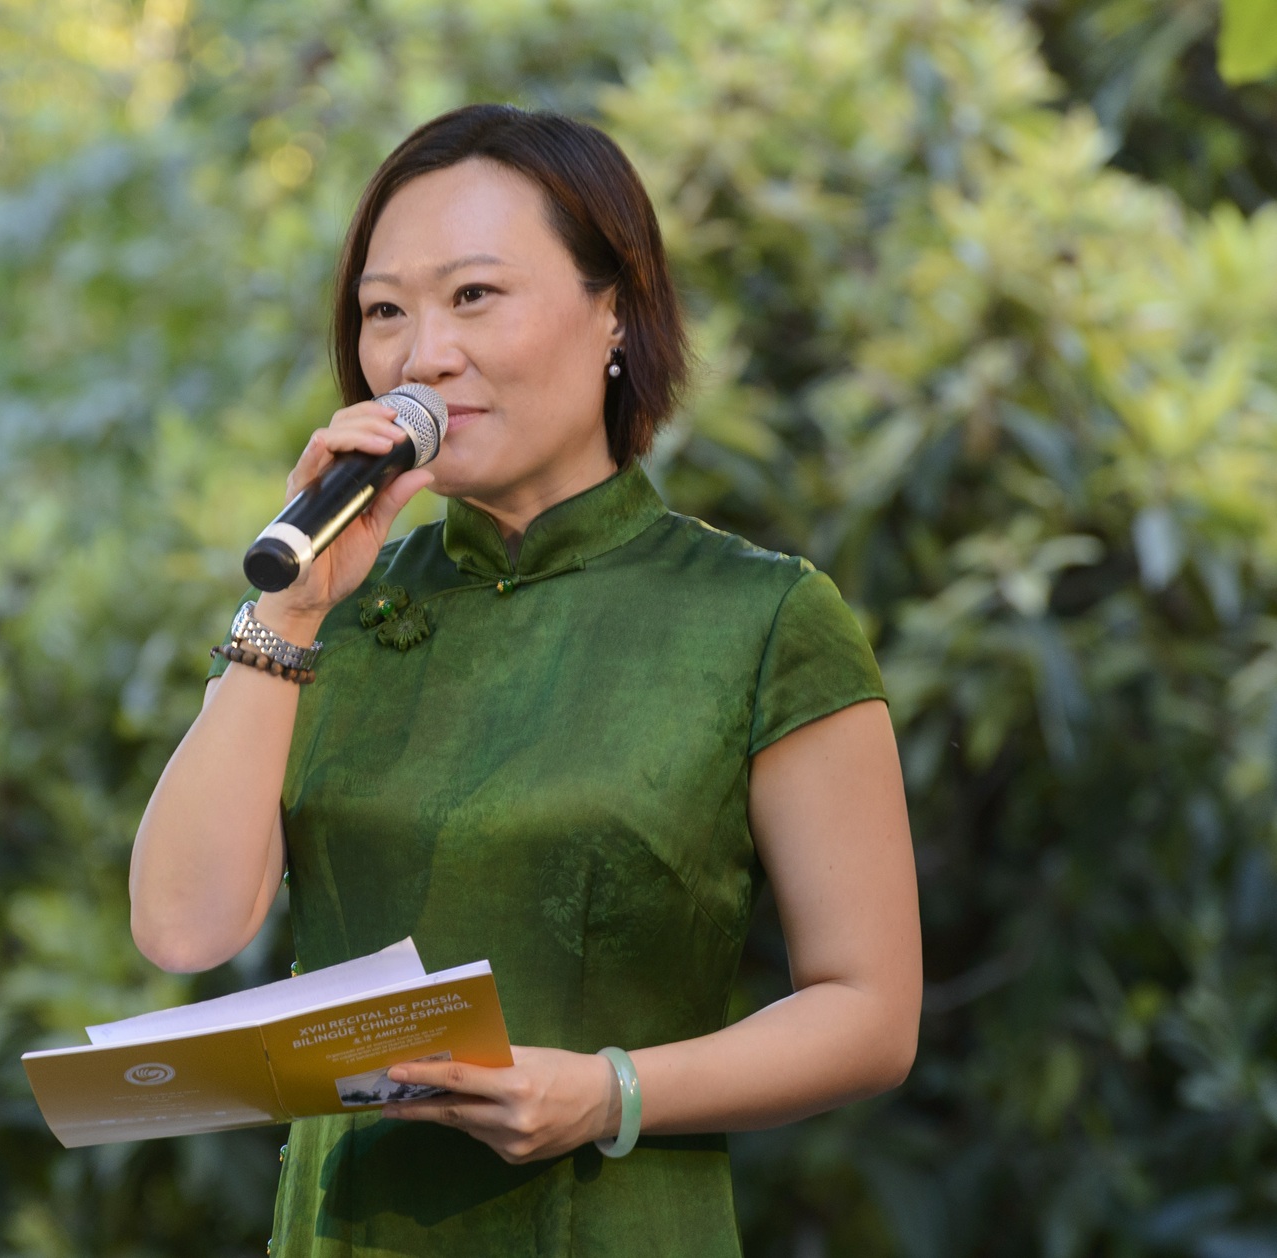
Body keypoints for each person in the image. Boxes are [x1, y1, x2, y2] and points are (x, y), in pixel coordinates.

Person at [129, 104, 921, 1257]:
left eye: (474, 295)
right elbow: (183, 927)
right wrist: (288, 612)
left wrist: (608, 1093)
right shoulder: (322, 611)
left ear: (616, 310)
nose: (423, 355)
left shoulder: (760, 616)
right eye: (385, 311)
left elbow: (872, 1014)